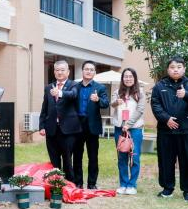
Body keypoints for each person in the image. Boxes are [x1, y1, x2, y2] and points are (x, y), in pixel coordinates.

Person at [151, 56, 188, 202]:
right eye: (172, 67)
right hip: (165, 130)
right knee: (165, 161)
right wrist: (166, 118)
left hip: (187, 131)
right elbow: (155, 104)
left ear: (184, 69)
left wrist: (186, 94)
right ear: (168, 69)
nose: (175, 70)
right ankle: (167, 188)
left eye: (179, 67)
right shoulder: (159, 86)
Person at [39, 61, 80, 184]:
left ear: (68, 72)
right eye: (57, 70)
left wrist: (60, 93)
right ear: (54, 72)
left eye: (62, 70)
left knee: (67, 160)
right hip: (51, 129)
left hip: (68, 130)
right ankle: (55, 185)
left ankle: (69, 185)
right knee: (54, 160)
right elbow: (44, 108)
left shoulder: (74, 85)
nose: (60, 72)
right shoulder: (49, 87)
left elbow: (73, 95)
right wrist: (41, 126)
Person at [73, 61, 109, 189]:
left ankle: (92, 183)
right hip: (77, 125)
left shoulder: (100, 88)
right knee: (77, 156)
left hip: (92, 126)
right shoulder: (75, 87)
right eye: (86, 69)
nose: (89, 71)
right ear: (82, 71)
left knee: (93, 156)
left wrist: (98, 99)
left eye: (91, 69)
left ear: (95, 72)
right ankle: (78, 183)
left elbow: (106, 103)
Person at [111, 68, 146, 195]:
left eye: (131, 76)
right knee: (122, 157)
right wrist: (116, 102)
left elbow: (140, 110)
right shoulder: (117, 92)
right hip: (119, 128)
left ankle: (132, 185)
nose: (128, 79)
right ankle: (123, 184)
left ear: (134, 78)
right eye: (125, 76)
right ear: (122, 78)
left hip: (135, 128)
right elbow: (112, 104)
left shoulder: (140, 93)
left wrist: (128, 124)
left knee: (134, 157)